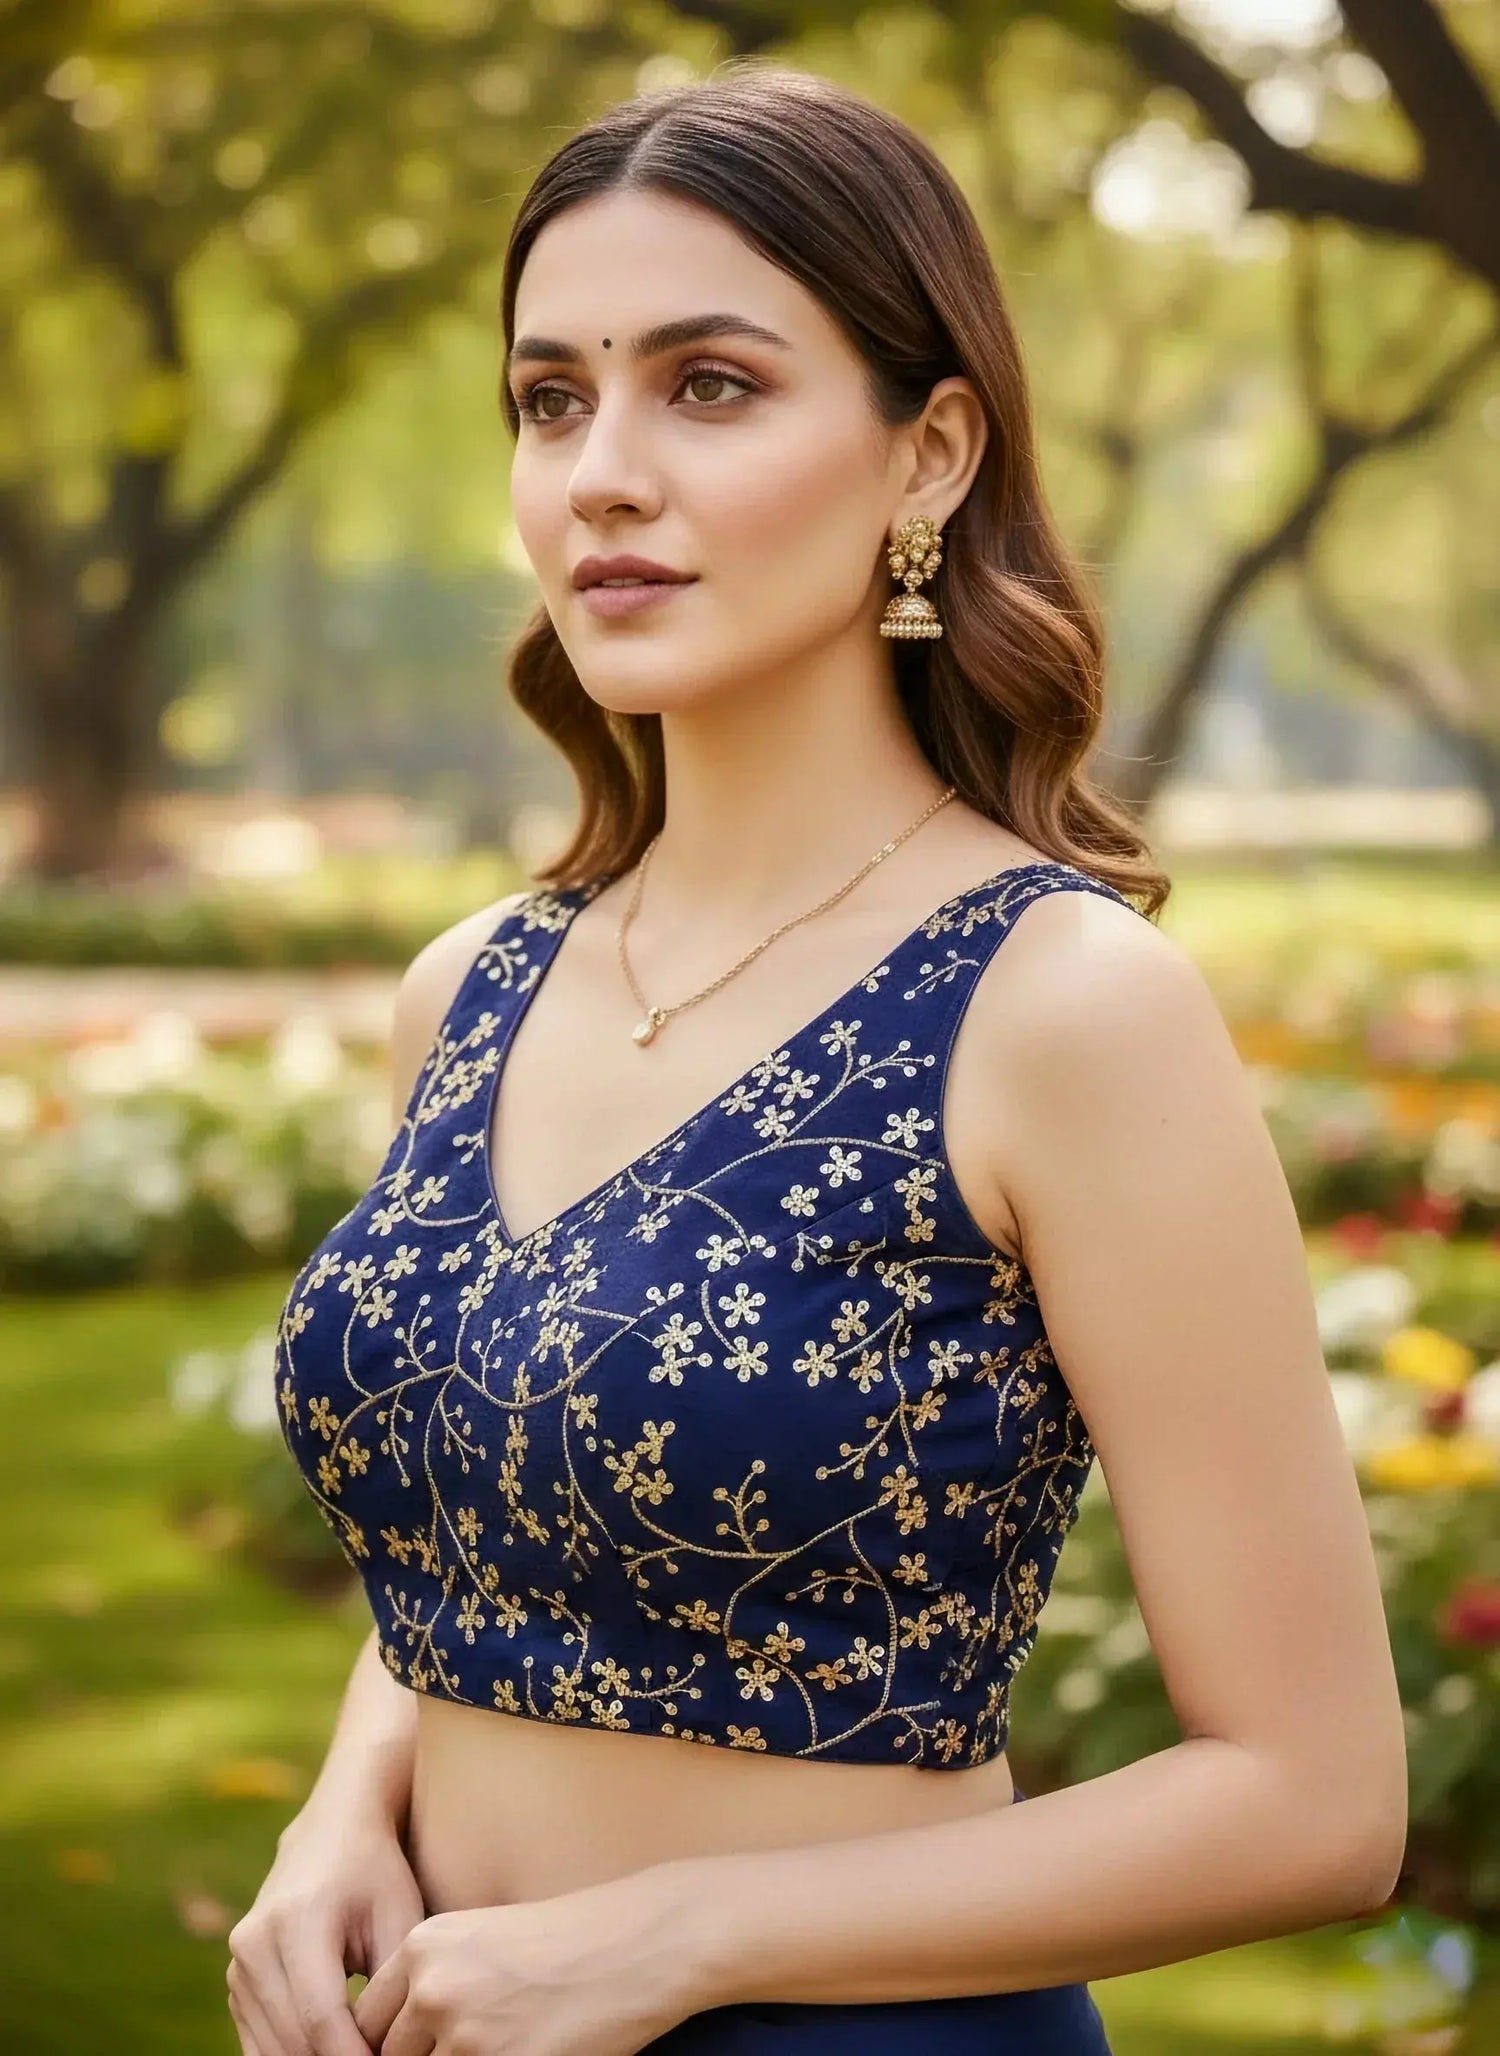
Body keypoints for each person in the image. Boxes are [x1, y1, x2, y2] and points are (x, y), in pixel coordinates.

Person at [231, 60, 1408, 2056]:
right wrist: (353, 1799)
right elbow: (493, 1508)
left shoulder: (1056, 1006)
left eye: (709, 384)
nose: (602, 469)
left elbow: (1315, 1796)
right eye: (549, 396)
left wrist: (672, 1933)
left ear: (928, 451)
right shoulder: (469, 991)